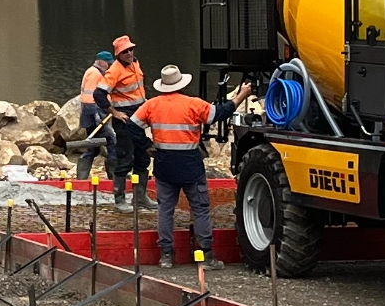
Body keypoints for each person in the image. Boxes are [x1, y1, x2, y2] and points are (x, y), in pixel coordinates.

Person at [130, 64, 253, 269]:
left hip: (163, 164)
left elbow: (132, 126)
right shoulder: (193, 104)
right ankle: (206, 256)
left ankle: (166, 256)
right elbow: (221, 113)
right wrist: (242, 95)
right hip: (190, 165)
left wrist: (147, 146)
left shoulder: (151, 105)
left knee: (165, 210)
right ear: (181, 84)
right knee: (200, 209)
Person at [92, 35, 158, 212]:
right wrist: (114, 112)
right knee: (125, 158)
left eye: (130, 49)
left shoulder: (135, 63)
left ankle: (140, 197)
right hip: (125, 119)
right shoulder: (115, 70)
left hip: (140, 117)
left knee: (143, 156)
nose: (129, 53)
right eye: (124, 51)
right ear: (118, 54)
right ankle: (119, 199)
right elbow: (98, 94)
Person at [76, 51, 118, 180]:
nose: (109, 66)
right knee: (112, 142)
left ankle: (81, 178)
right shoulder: (94, 73)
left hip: (90, 113)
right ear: (101, 62)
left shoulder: (93, 72)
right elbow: (90, 97)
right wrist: (97, 115)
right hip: (93, 113)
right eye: (108, 63)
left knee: (93, 147)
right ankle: (114, 177)